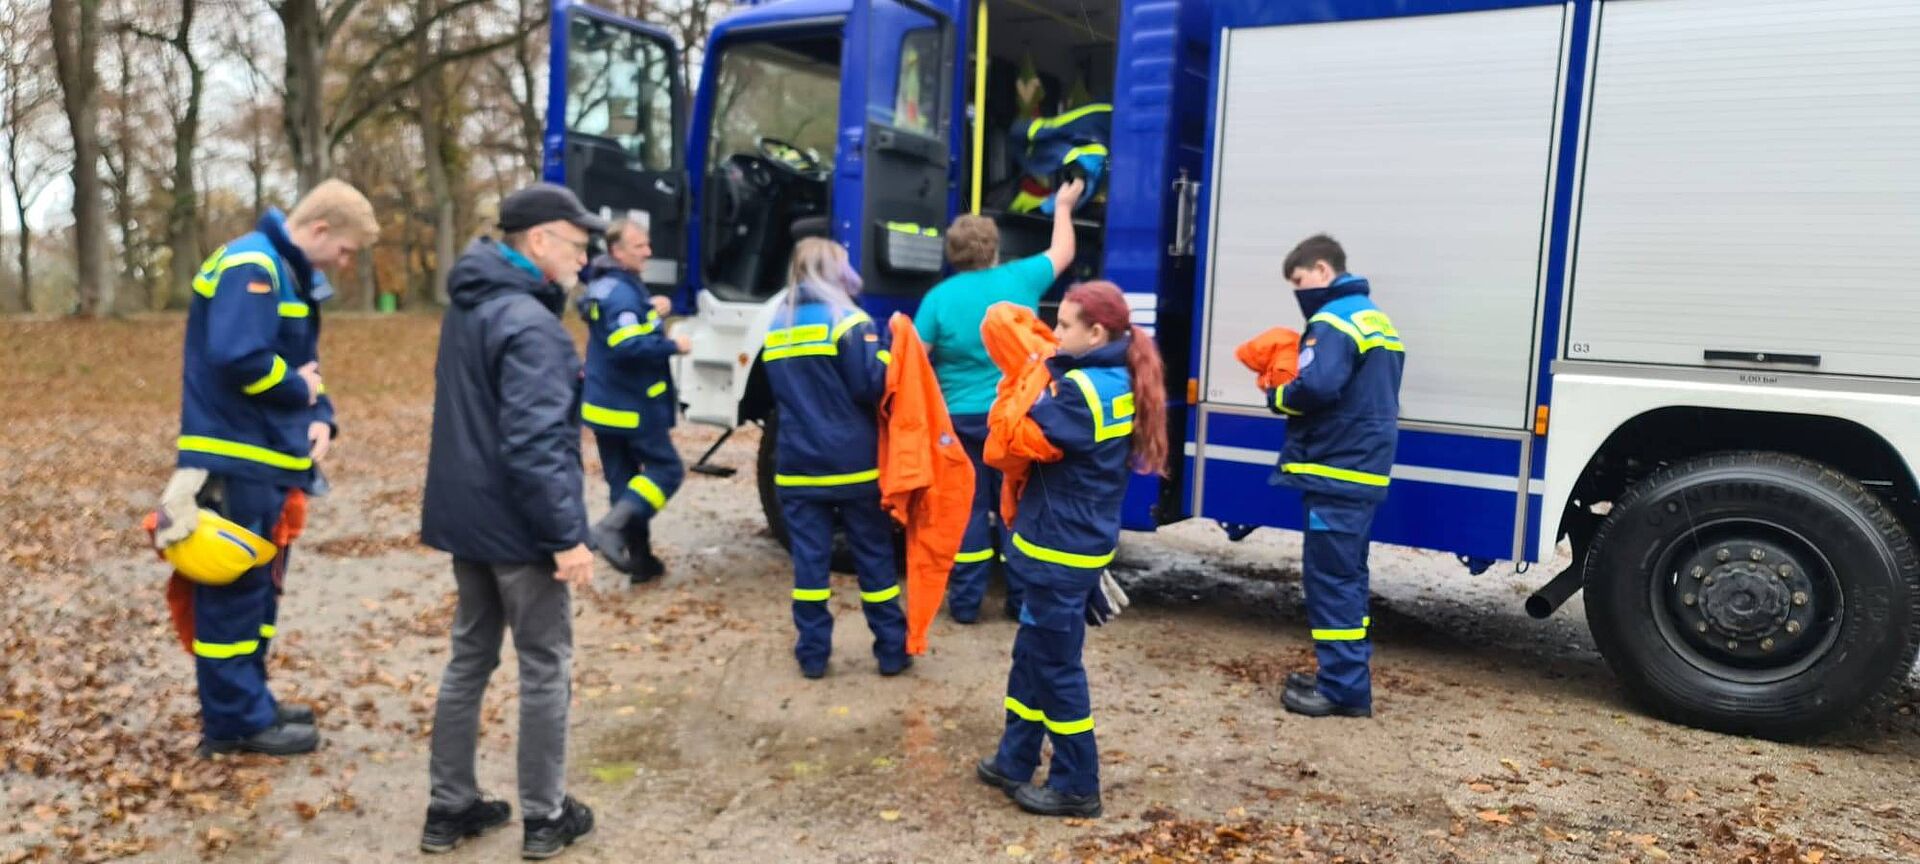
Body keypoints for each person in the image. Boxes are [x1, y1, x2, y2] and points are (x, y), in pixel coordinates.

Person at [161, 179, 379, 757]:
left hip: (269, 459)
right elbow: (239, 357)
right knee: (231, 594)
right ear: (322, 230)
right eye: (347, 250)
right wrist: (295, 390)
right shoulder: (253, 265)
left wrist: (322, 416)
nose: (347, 263)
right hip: (238, 458)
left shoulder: (287, 272)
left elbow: (305, 363)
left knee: (258, 596)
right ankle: (234, 724)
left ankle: (252, 703)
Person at [419, 183, 603, 858]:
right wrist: (565, 538)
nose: (584, 261)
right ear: (538, 242)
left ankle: (450, 806)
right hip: (520, 530)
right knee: (545, 664)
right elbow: (535, 445)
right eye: (578, 246)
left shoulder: (470, 309)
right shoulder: (530, 327)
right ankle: (546, 816)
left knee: (469, 656)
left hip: (467, 521)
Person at [974, 280, 1166, 819]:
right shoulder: (1106, 378)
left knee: (1056, 667)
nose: (1053, 334)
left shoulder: (1085, 391)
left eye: (1063, 325)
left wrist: (1028, 371)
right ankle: (1014, 759)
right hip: (1066, 541)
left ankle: (1077, 785)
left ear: (1096, 332)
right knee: (1031, 655)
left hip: (1061, 549)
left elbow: (1015, 431)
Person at [916, 178, 1085, 624]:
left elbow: (915, 359)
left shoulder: (937, 298)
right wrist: (1064, 206)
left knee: (968, 508)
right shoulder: (1020, 277)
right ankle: (1020, 600)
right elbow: (1064, 252)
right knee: (1015, 502)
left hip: (959, 420)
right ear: (993, 248)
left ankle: (967, 603)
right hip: (1013, 417)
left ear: (953, 254)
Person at [1265, 234, 1404, 719]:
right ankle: (1342, 677)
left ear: (1322, 270)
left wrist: (1278, 395)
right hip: (1360, 470)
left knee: (1332, 583)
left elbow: (1318, 386)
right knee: (1348, 577)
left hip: (1336, 469)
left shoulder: (1332, 320)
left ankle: (1342, 690)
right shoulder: (1374, 318)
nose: (1299, 294)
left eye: (1300, 282)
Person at [763, 238, 909, 679]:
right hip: (853, 464)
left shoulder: (778, 324)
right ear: (833, 270)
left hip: (795, 464)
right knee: (874, 558)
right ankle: (890, 651)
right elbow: (870, 385)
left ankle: (811, 655)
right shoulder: (849, 321)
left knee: (809, 564)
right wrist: (889, 347)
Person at [578, 219, 692, 583]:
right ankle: (609, 529)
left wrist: (650, 310)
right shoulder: (622, 293)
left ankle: (639, 561)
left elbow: (622, 329)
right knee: (666, 471)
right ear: (617, 251)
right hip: (632, 406)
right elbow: (627, 345)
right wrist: (674, 344)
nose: (648, 252)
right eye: (640, 246)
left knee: (624, 483)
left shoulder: (607, 285)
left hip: (605, 408)